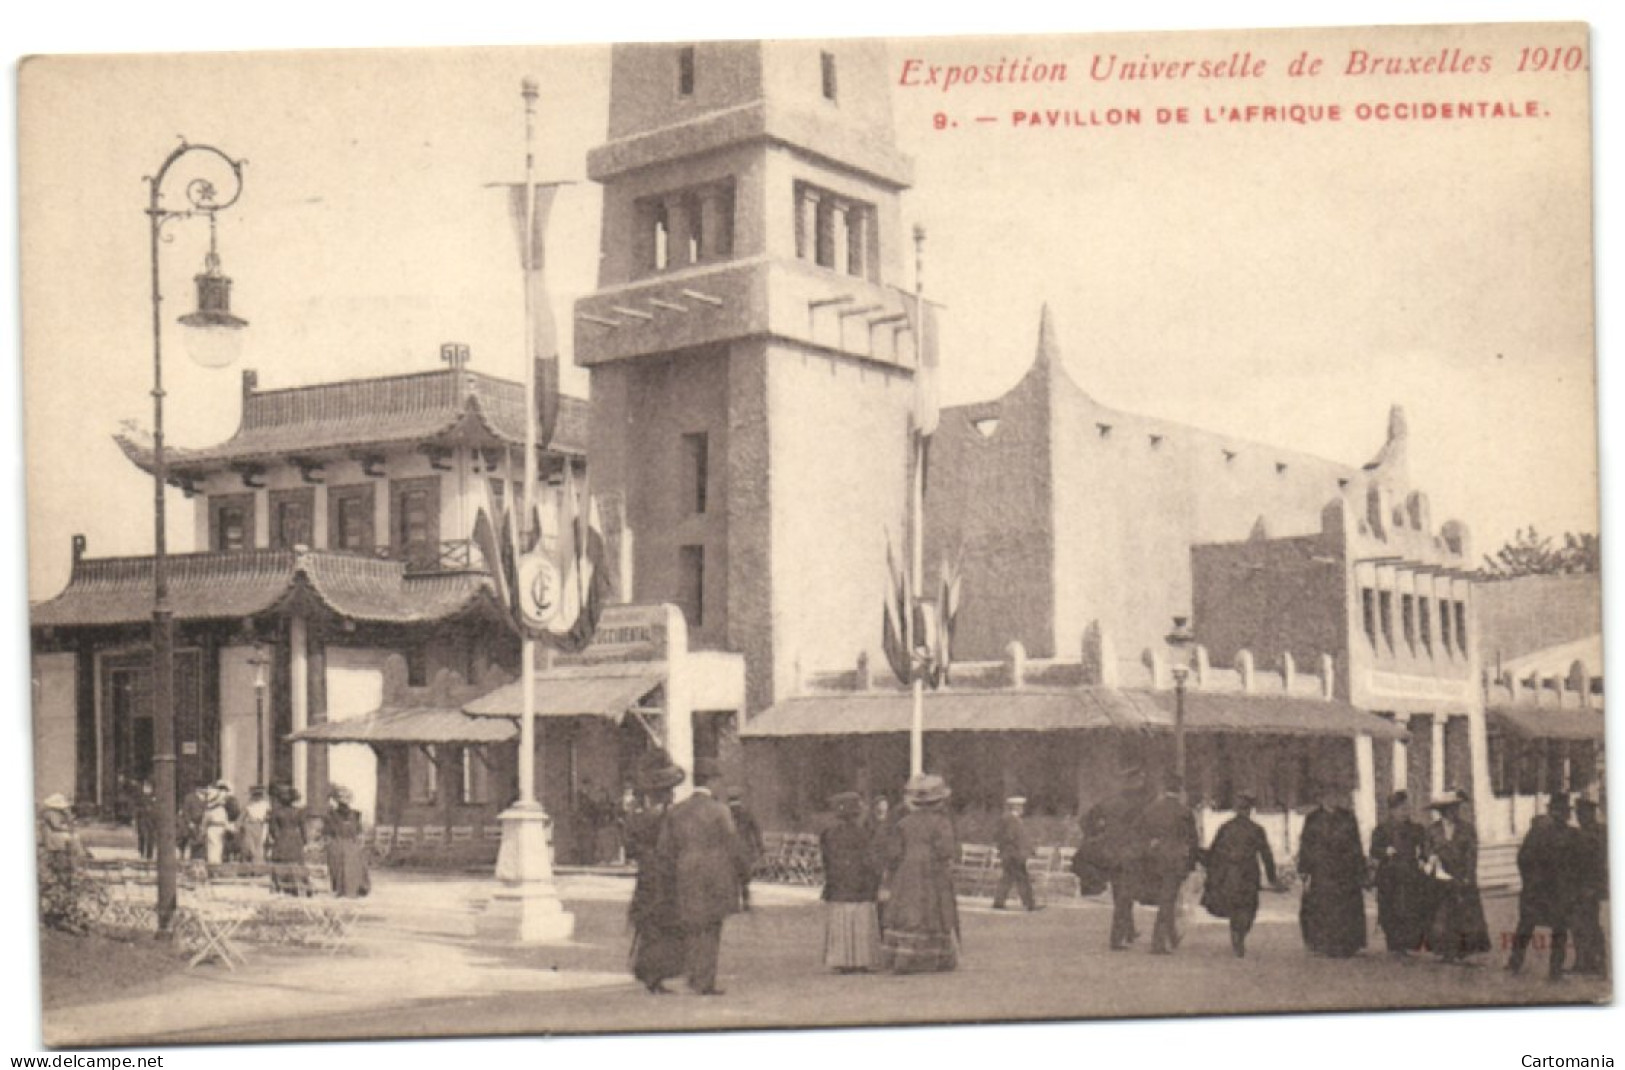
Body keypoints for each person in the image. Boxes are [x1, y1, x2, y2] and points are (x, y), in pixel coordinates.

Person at [657, 758, 749, 995]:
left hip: (685, 872)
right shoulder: (720, 811)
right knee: (712, 927)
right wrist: (743, 875)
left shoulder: (677, 811)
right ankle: (704, 981)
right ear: (713, 781)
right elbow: (733, 844)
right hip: (716, 875)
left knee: (691, 925)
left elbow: (664, 849)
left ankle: (693, 975)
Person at [879, 773, 961, 973]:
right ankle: (935, 957)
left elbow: (894, 851)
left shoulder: (904, 823)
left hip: (907, 869)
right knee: (934, 909)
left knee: (908, 909)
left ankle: (901, 956)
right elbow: (945, 849)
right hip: (933, 869)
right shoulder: (941, 822)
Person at [627, 751, 686, 993]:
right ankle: (654, 974)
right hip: (662, 875)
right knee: (662, 924)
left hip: (648, 875)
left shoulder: (639, 817)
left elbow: (631, 847)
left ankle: (650, 972)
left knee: (651, 924)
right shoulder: (666, 817)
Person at [1508, 793, 1580, 979]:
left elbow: (1522, 858)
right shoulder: (1543, 832)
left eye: (1562, 811)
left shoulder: (1563, 833)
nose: (1561, 815)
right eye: (1560, 811)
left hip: (1546, 890)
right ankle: (1550, 970)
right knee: (1551, 928)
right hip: (1546, 889)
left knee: (1532, 926)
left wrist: (1529, 880)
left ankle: (1518, 963)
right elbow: (1523, 858)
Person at [1200, 792, 1279, 957]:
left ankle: (1237, 934)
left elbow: (1214, 852)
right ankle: (1240, 934)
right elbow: (1266, 855)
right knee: (1249, 907)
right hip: (1249, 874)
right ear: (1250, 810)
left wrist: (1209, 867)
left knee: (1236, 905)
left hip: (1231, 874)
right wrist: (1272, 878)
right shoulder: (1256, 830)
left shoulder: (1226, 827)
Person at [1084, 764, 1151, 951]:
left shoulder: (1109, 802)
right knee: (1125, 897)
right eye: (1140, 780)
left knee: (1120, 894)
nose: (1142, 783)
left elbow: (1087, 821)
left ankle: (1129, 931)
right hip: (1130, 855)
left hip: (1110, 855)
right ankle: (1117, 938)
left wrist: (1099, 837)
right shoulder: (1139, 805)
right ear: (1134, 782)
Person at [1296, 783, 1367, 958]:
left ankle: (1346, 943)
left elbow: (1356, 844)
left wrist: (1360, 868)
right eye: (1327, 795)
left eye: (1335, 795)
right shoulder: (1312, 819)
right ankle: (1324, 943)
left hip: (1345, 869)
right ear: (1321, 798)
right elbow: (1306, 845)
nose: (1332, 798)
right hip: (1322, 870)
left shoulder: (1348, 817)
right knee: (1323, 906)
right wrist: (1304, 869)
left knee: (1345, 907)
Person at [820, 791, 882, 972]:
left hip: (838, 885)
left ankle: (841, 958)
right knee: (861, 918)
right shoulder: (864, 833)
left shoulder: (829, 834)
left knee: (840, 917)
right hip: (861, 886)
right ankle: (861, 958)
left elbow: (827, 860)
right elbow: (870, 860)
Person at [1425, 793, 1490, 963]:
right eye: (1450, 809)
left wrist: (1468, 876)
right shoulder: (1432, 830)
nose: (1455, 812)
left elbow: (1471, 854)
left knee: (1463, 915)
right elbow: (1427, 851)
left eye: (1456, 808)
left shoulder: (1467, 829)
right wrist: (1432, 861)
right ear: (1443, 811)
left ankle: (1463, 952)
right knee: (1443, 916)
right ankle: (1445, 951)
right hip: (1441, 880)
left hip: (1462, 877)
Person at [1140, 775, 1200, 955]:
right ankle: (1158, 942)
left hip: (1155, 859)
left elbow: (1141, 834)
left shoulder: (1152, 809)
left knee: (1167, 898)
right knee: (1168, 899)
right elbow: (1193, 840)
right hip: (1175, 860)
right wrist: (1191, 863)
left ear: (1164, 788)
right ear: (1180, 790)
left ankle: (1172, 936)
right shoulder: (1184, 812)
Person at [1370, 790, 1433, 955]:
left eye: (1406, 808)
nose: (1405, 812)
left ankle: (1408, 942)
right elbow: (1373, 851)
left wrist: (1422, 859)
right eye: (1401, 809)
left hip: (1410, 873)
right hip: (1389, 876)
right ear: (1392, 810)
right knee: (1390, 909)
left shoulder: (1416, 829)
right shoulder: (1381, 830)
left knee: (1411, 908)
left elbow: (1425, 849)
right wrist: (1385, 851)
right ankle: (1394, 943)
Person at [1570, 797, 1609, 977]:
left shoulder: (1597, 833)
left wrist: (1594, 887)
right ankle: (1584, 961)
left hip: (1589, 886)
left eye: (1582, 813)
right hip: (1580, 886)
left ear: (1590, 813)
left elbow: (1599, 862)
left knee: (1590, 924)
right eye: (1578, 813)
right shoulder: (1584, 832)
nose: (1578, 816)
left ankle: (1598, 962)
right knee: (1580, 924)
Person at [323, 784, 371, 898]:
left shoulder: (355, 814)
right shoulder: (330, 816)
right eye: (340, 797)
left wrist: (359, 841)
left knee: (353, 860)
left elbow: (358, 831)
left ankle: (355, 888)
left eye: (346, 797)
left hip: (351, 843)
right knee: (337, 860)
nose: (343, 800)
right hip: (337, 843)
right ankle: (340, 888)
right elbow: (327, 832)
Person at [992, 795, 1039, 911]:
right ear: (1015, 807)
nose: (1022, 809)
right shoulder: (1011, 820)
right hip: (1014, 854)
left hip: (1010, 854)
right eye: (1020, 806)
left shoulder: (1011, 819)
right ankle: (1029, 904)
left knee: (1008, 878)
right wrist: (1021, 850)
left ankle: (999, 901)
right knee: (1022, 879)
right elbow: (1012, 837)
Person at [265, 783, 309, 894]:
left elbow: (273, 830)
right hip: (295, 838)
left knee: (280, 863)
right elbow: (303, 829)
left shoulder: (276, 812)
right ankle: (298, 887)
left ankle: (280, 886)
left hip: (282, 838)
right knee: (296, 863)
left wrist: (277, 838)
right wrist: (304, 841)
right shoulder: (298, 812)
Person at [727, 787, 766, 911]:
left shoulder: (726, 812)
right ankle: (746, 900)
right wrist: (760, 847)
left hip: (730, 848)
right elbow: (756, 830)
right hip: (745, 848)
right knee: (744, 876)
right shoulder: (747, 812)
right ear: (740, 798)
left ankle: (734, 902)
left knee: (732, 875)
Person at [201, 780, 238, 865]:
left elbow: (205, 822)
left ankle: (214, 863)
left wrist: (203, 831)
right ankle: (215, 863)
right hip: (218, 828)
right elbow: (225, 820)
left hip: (214, 828)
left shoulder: (210, 810)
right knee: (216, 847)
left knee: (214, 847)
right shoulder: (221, 809)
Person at [238, 786, 271, 864]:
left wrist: (266, 820)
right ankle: (247, 865)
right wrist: (240, 826)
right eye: (255, 794)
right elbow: (241, 817)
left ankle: (258, 865)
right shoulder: (248, 804)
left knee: (259, 845)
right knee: (248, 845)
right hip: (250, 824)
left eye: (259, 794)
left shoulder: (265, 804)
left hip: (260, 825)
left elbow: (268, 816)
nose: (257, 796)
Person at [133, 780, 157, 862]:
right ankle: (142, 853)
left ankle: (149, 855)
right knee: (143, 836)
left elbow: (157, 809)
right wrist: (135, 819)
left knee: (151, 838)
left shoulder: (154, 798)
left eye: (149, 787)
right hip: (142, 819)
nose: (147, 789)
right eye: (145, 787)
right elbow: (136, 809)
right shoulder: (140, 798)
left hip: (152, 821)